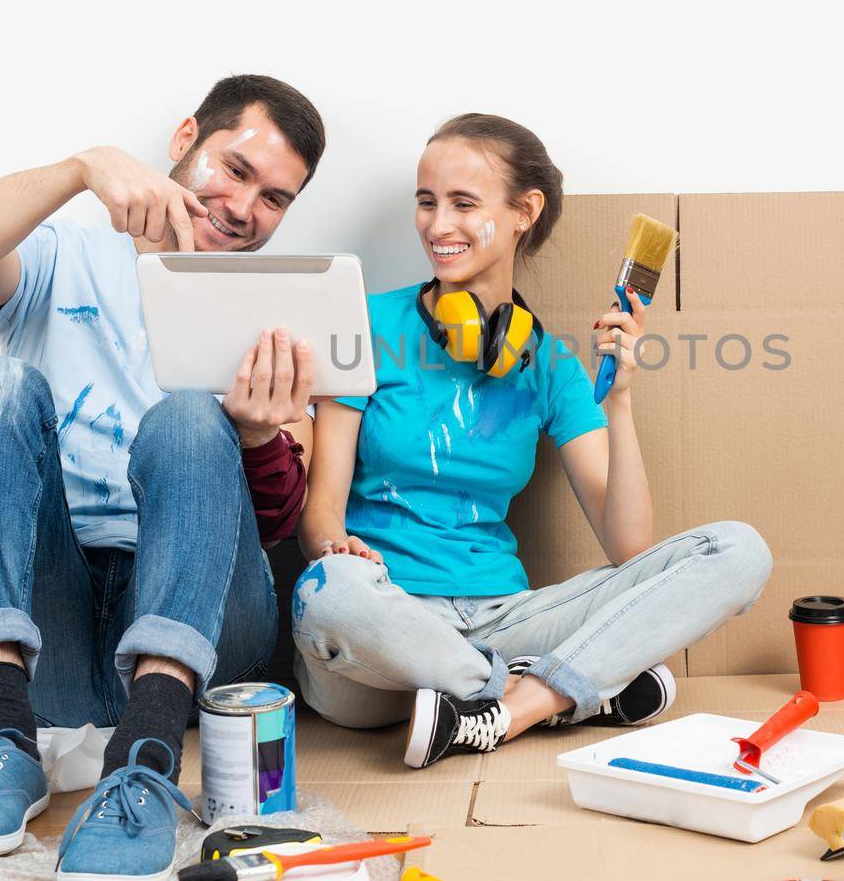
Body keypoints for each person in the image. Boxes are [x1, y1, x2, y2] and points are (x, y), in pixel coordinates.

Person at [0, 75, 320, 878]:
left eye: (274, 198)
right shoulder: (65, 259)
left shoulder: (273, 302)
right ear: (185, 139)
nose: (243, 207)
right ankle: (2, 739)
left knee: (192, 419)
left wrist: (260, 435)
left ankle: (149, 756)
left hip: (199, 635)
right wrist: (80, 168)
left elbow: (274, 526)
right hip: (52, 627)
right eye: (235, 169)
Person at [290, 113, 773, 768]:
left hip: (502, 612)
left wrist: (621, 398)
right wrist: (332, 547)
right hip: (382, 624)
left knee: (739, 551)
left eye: (463, 204)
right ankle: (557, 688)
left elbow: (629, 547)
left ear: (524, 211)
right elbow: (319, 513)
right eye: (426, 203)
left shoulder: (550, 367)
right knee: (330, 591)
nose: (438, 225)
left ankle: (504, 711)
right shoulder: (365, 324)